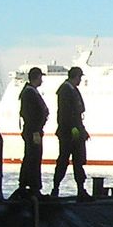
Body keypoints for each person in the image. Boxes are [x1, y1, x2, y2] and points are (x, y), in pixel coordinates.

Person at [51, 65, 89, 199]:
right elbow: (67, 113)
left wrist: (81, 130)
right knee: (64, 160)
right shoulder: (66, 90)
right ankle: (56, 188)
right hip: (69, 133)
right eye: (79, 77)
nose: (80, 80)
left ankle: (80, 189)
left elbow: (77, 113)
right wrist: (75, 130)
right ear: (76, 76)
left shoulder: (72, 90)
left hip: (74, 130)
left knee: (78, 161)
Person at [14, 66, 48, 199]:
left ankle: (28, 184)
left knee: (32, 156)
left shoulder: (30, 92)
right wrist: (36, 128)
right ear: (36, 77)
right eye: (40, 77)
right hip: (33, 131)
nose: (42, 81)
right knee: (33, 156)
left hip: (34, 130)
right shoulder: (30, 93)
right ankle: (32, 186)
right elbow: (30, 113)